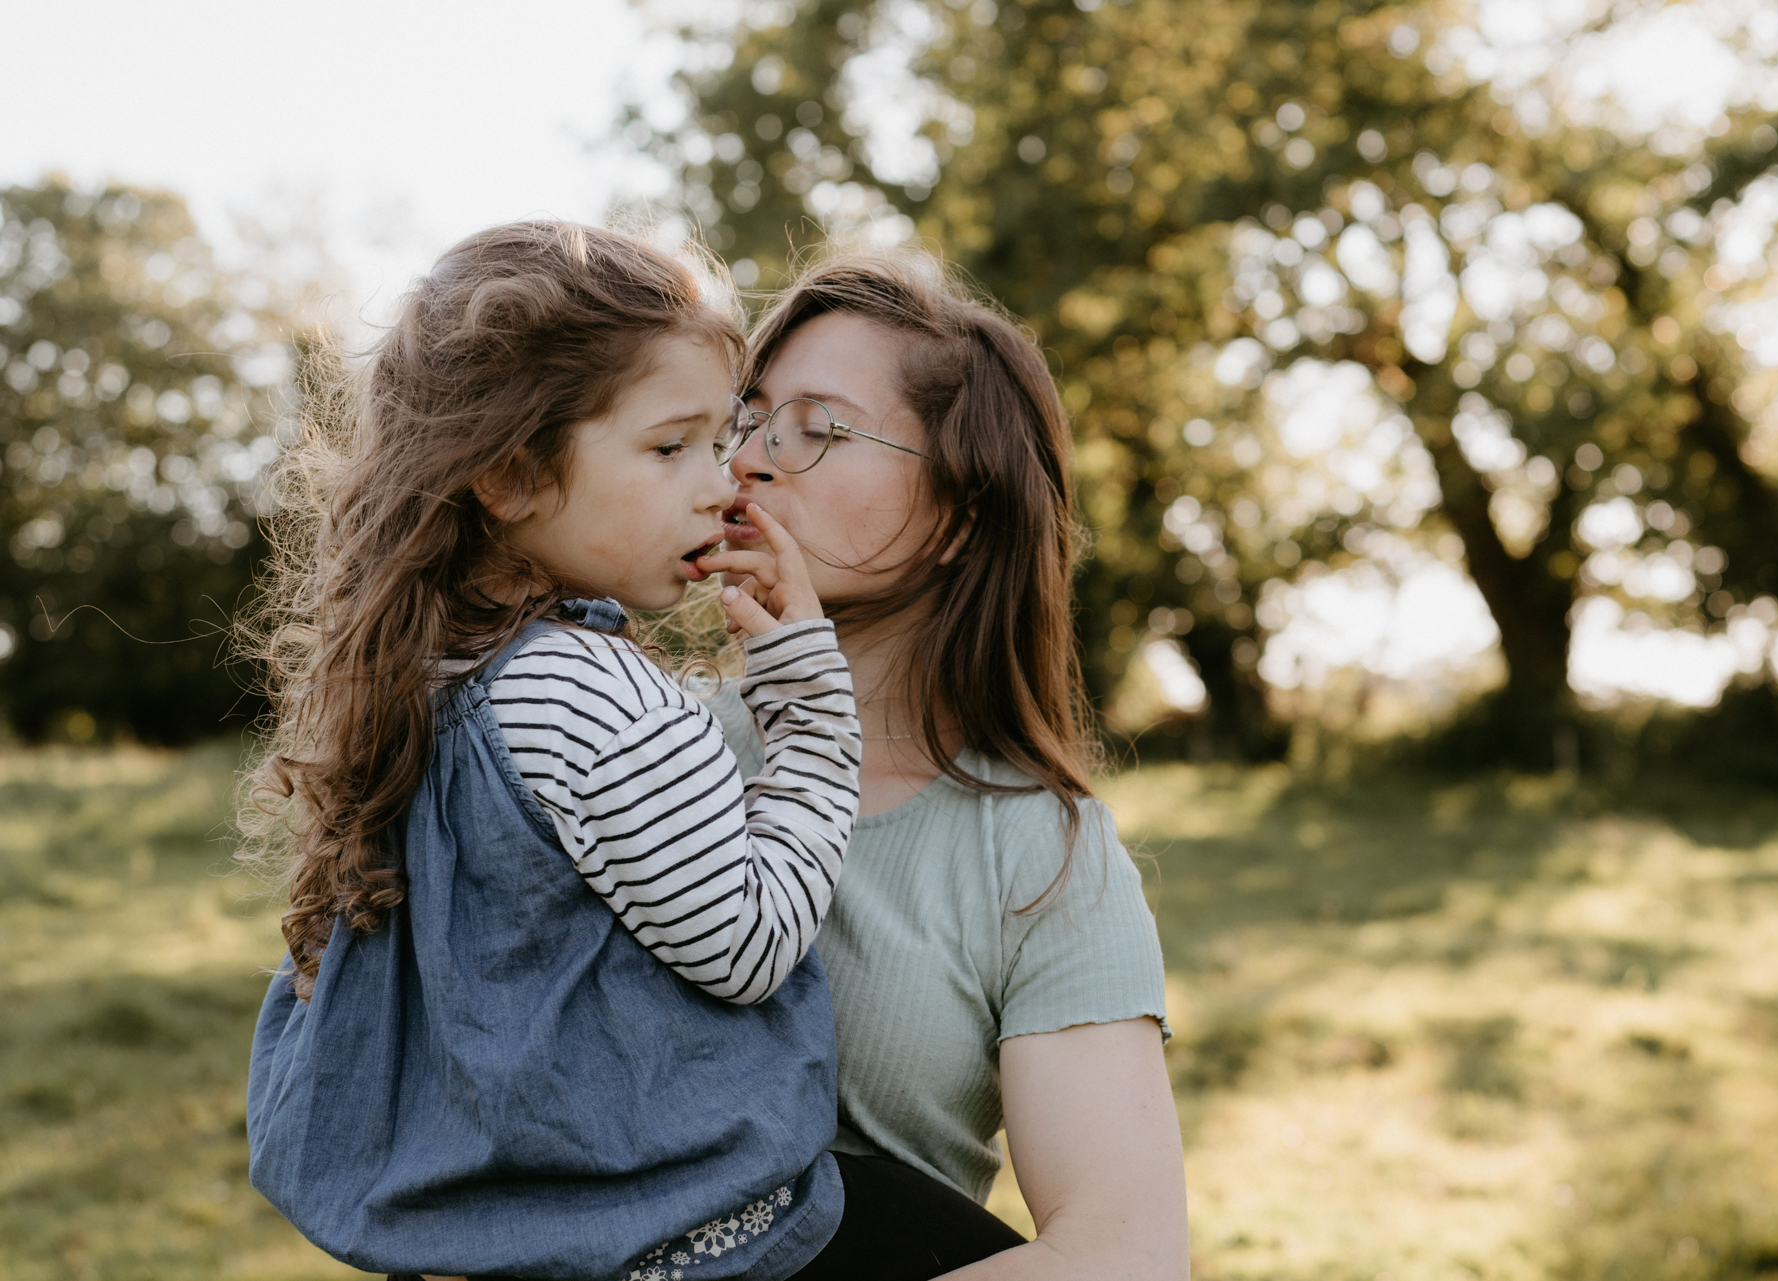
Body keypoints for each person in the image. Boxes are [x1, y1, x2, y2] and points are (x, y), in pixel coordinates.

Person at [239, 222, 1022, 1281]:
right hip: (694, 1236)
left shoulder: (426, 679)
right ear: (511, 477)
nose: (722, 481)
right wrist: (811, 707)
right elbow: (750, 945)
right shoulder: (592, 690)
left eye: (722, 437)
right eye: (670, 448)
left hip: (500, 1238)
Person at [701, 249, 1190, 1279]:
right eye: (747, 417)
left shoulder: (1045, 854)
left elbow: (1124, 1255)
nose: (746, 458)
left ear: (961, 516)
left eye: (819, 429)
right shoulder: (631, 741)